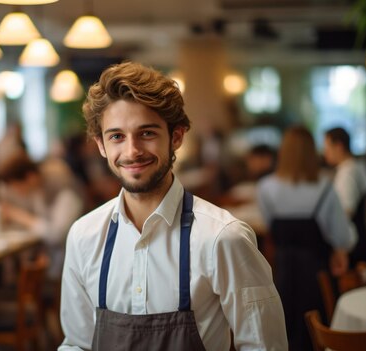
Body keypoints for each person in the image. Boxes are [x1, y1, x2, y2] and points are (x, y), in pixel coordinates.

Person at [58, 62, 287, 351]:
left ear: (176, 137)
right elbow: (77, 345)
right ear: (101, 145)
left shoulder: (222, 237)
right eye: (117, 136)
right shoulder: (83, 236)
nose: (132, 151)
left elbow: (263, 346)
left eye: (147, 133)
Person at [257, 126, 355, 351]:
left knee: (286, 332)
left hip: (281, 273)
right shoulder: (325, 187)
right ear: (313, 152)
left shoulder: (265, 188)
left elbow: (269, 227)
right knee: (316, 336)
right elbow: (341, 236)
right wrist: (340, 251)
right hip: (317, 275)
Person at [0, 155, 84, 279]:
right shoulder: (38, 189)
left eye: (17, 186)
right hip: (49, 257)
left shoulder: (65, 190)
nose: (16, 191)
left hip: (68, 263)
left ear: (30, 177)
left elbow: (57, 235)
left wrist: (20, 216)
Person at [323, 127, 366, 264]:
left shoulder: (347, 174)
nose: (325, 153)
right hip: (362, 240)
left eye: (327, 147)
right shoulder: (357, 165)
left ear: (338, 147)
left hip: (353, 247)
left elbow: (345, 214)